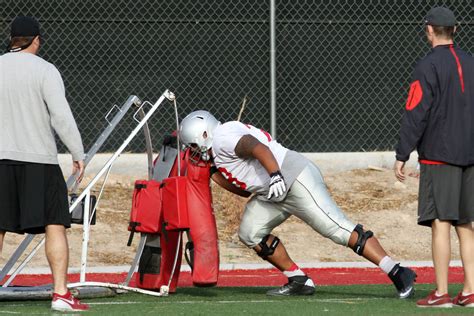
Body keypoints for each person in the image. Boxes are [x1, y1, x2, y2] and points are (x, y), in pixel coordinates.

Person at [179, 110, 416, 298]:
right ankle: (299, 280)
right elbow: (242, 191)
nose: (192, 152)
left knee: (338, 229)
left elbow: (256, 147)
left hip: (291, 177)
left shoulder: (223, 139)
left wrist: (275, 175)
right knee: (250, 232)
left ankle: (397, 271)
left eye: (192, 145)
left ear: (204, 135)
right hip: (272, 192)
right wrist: (212, 173)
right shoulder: (219, 151)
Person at [0, 16, 89, 312]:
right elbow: (60, 116)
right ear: (36, 39)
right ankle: (61, 294)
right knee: (55, 224)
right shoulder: (46, 70)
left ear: (12, 40)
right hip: (39, 160)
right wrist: (78, 152)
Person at [394, 6, 474, 308]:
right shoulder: (471, 61)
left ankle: (441, 292)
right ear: (455, 30)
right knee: (466, 223)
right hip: (470, 154)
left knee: (441, 222)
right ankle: (470, 290)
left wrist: (402, 153)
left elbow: (416, 111)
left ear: (428, 30)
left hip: (439, 156)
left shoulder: (427, 66)